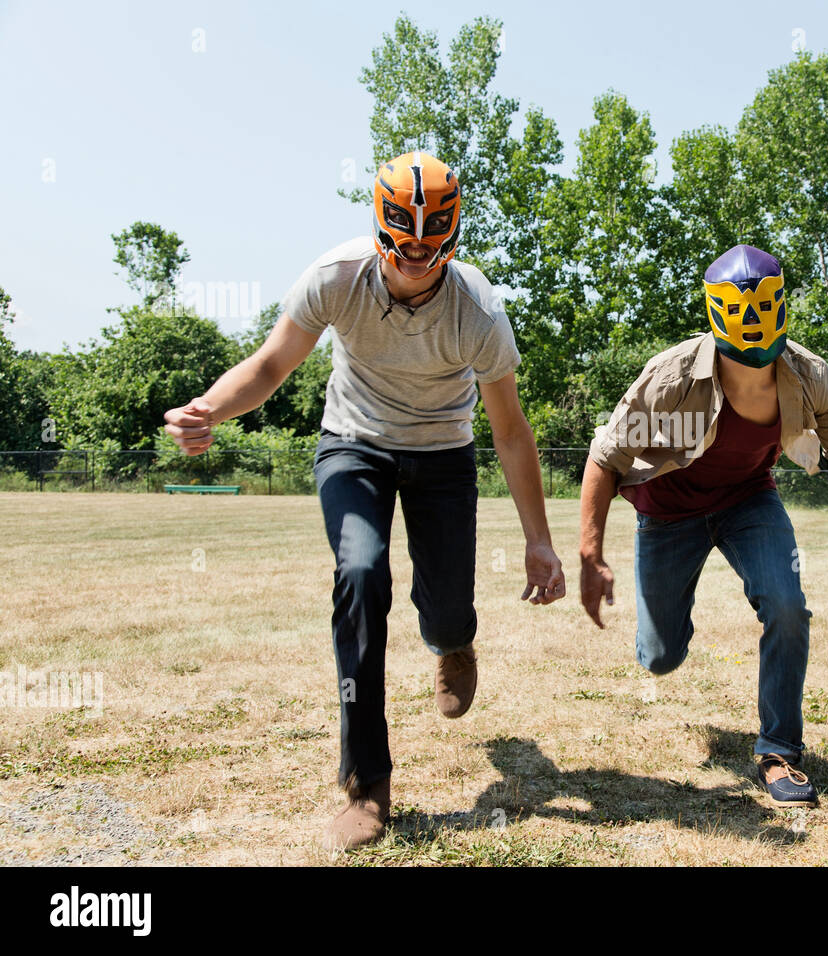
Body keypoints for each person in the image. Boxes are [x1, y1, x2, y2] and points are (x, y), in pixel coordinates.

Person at [163, 152, 565, 848]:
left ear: (453, 237)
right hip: (354, 444)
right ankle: (366, 785)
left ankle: (453, 642)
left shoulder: (478, 311)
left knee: (443, 607)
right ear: (379, 232)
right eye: (403, 246)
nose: (417, 258)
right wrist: (209, 409)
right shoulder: (334, 278)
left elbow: (509, 429)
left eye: (432, 247)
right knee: (359, 573)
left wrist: (538, 540)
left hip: (442, 452)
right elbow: (269, 365)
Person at [577, 244, 828, 807]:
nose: (752, 324)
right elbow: (605, 457)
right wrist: (592, 555)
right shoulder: (670, 376)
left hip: (749, 501)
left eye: (763, 308)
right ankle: (669, 629)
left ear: (781, 305)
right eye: (739, 311)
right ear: (716, 311)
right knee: (660, 657)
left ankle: (779, 749)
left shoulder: (809, 376)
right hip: (668, 513)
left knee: (786, 604)